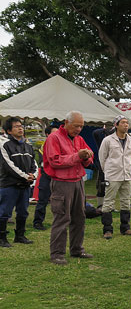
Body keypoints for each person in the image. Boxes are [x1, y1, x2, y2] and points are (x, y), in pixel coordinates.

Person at [44, 111, 94, 265]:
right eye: (76, 126)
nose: (79, 129)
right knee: (62, 218)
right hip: (61, 183)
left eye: (81, 126)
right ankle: (57, 253)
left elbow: (89, 157)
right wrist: (78, 156)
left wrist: (87, 156)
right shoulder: (54, 138)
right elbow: (55, 160)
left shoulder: (79, 139)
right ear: (66, 122)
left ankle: (77, 249)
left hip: (78, 181)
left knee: (79, 217)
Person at [0, 117, 37, 247]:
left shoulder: (28, 146)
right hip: (9, 184)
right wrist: (24, 176)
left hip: (25, 186)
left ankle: (20, 235)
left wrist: (33, 175)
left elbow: (34, 164)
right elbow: (8, 165)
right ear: (9, 131)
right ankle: (2, 237)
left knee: (23, 211)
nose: (20, 128)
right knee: (4, 211)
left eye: (21, 126)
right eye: (16, 126)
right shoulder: (5, 146)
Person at [98, 116, 131, 239]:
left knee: (126, 202)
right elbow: (102, 158)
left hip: (127, 175)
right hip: (113, 175)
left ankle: (125, 228)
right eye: (123, 123)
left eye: (127, 123)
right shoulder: (108, 140)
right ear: (116, 125)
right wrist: (108, 171)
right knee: (109, 202)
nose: (126, 125)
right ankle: (107, 229)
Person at [32, 126, 59, 230]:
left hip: (58, 176)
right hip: (47, 174)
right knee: (42, 199)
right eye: (54, 133)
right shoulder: (45, 145)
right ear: (48, 135)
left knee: (61, 200)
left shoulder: (60, 144)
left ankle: (61, 221)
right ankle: (38, 222)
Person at [92, 123, 115, 211]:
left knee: (112, 186)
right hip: (103, 165)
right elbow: (95, 132)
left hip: (113, 165)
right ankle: (100, 205)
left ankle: (111, 206)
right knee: (101, 185)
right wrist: (104, 130)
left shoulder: (115, 138)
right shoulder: (101, 138)